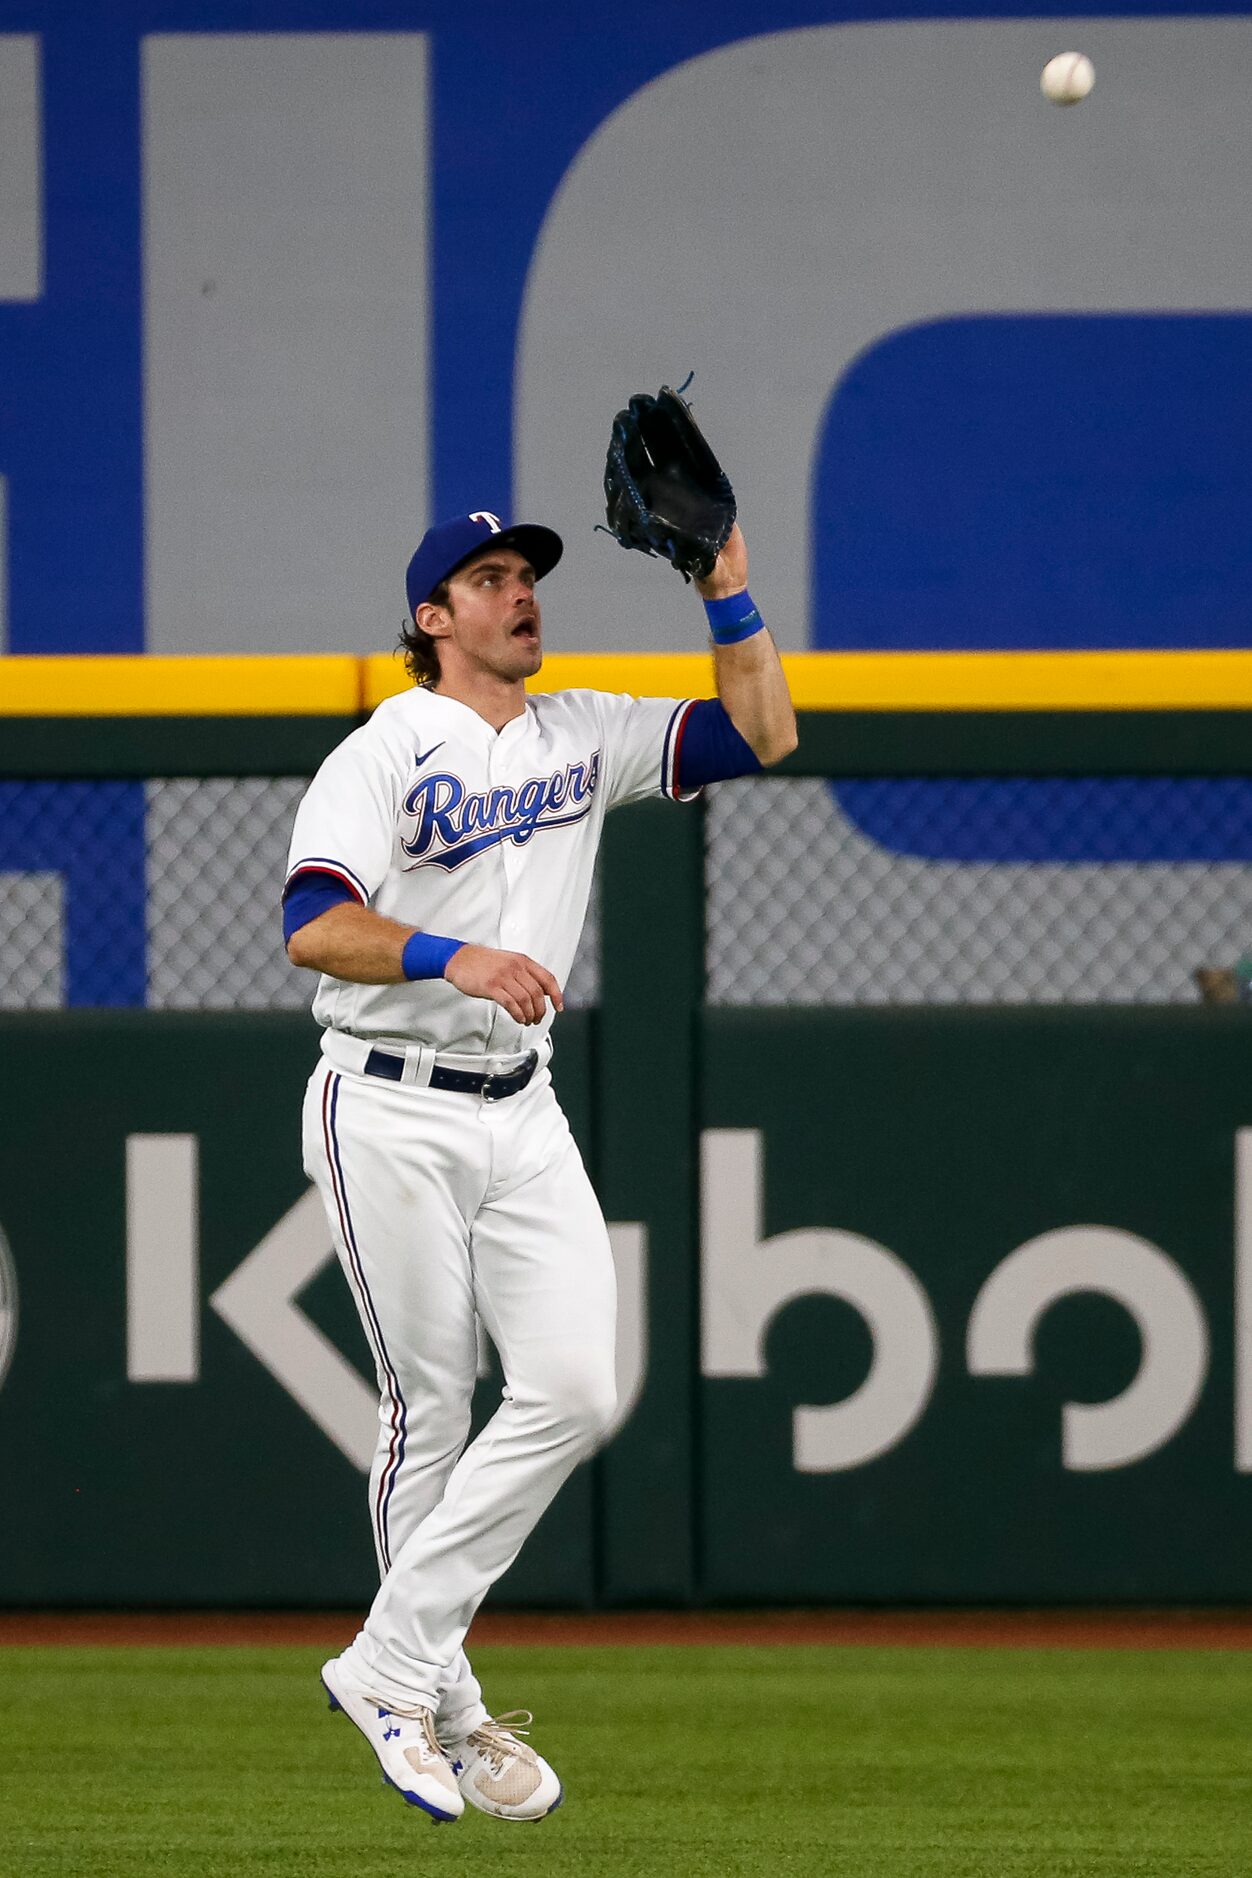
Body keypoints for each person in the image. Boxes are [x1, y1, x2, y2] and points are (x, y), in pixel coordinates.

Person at [282, 508, 797, 1824]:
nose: (521, 594)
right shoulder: (381, 753)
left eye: (528, 576)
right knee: (430, 1407)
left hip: (522, 1105)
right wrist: (455, 958)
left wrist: (727, 591)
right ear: (432, 619)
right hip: (385, 1103)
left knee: (575, 1386)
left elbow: (761, 731)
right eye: (489, 578)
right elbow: (313, 925)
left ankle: (391, 1667)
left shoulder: (583, 731)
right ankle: (436, 1701)